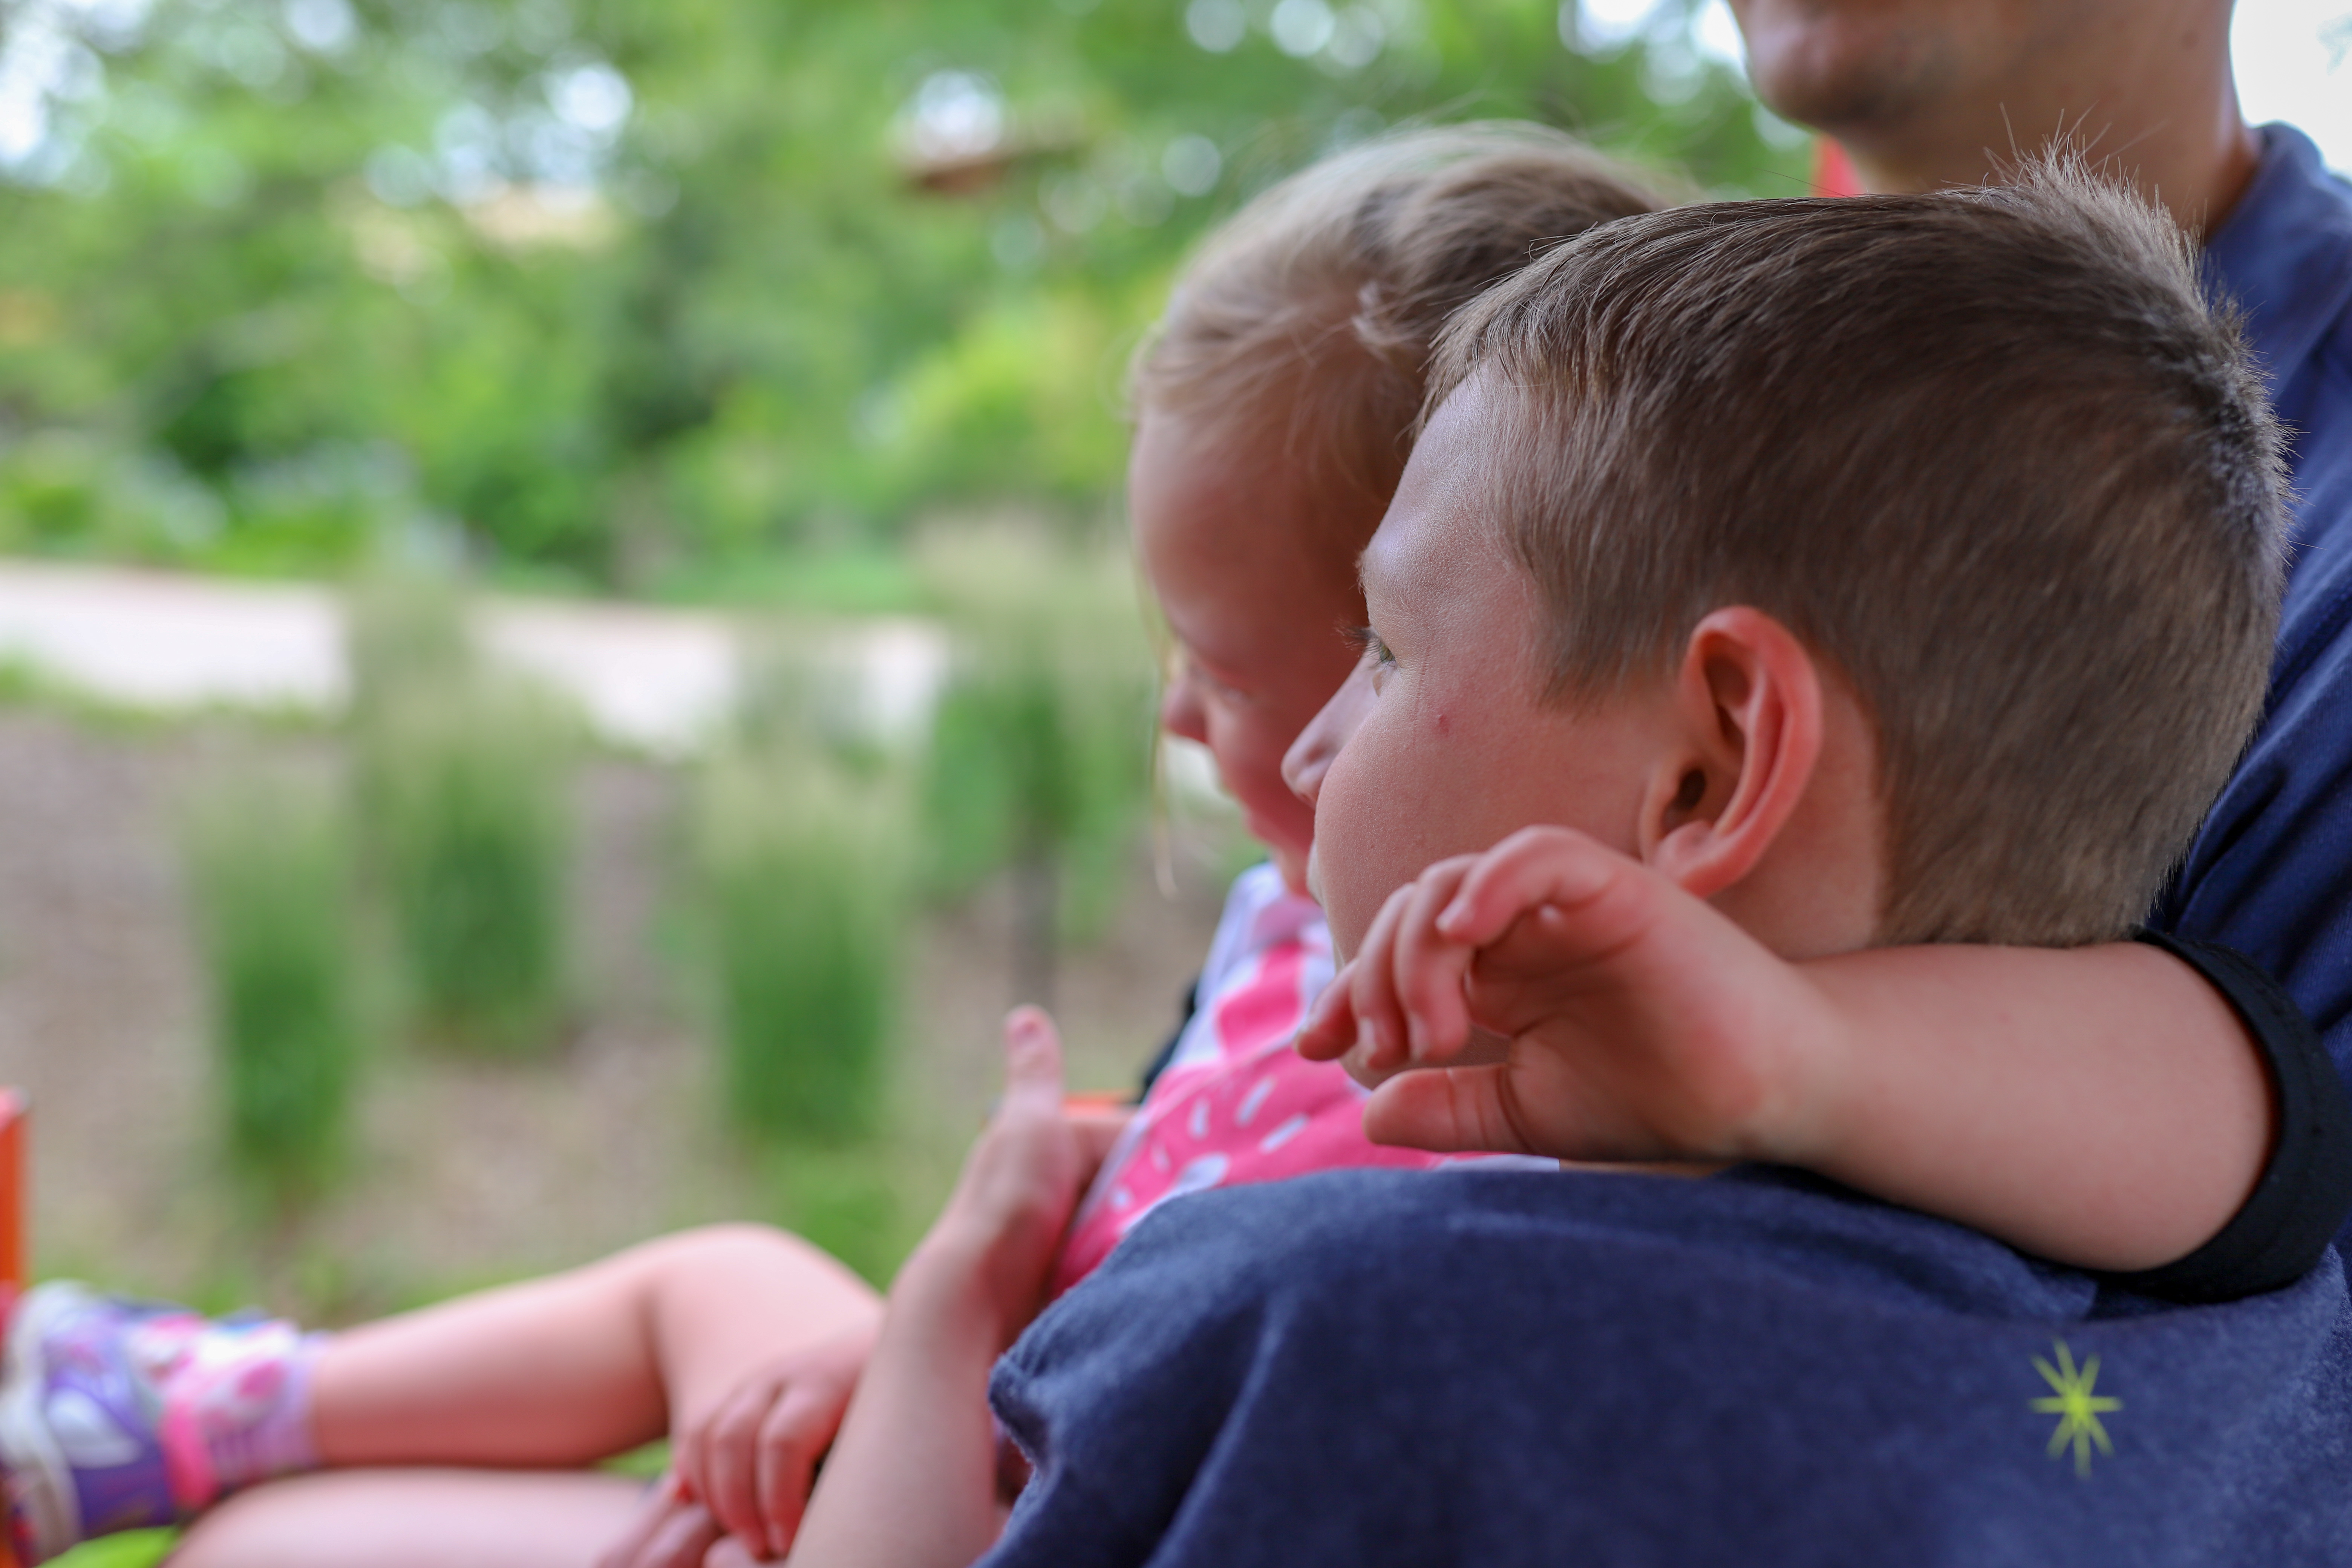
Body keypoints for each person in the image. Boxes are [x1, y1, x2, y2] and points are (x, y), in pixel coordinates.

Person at [0, 127, 1670, 1568]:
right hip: (948, 1427)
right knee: (713, 1287)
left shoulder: (1510, 1140)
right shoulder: (1313, 938)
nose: (1177, 716)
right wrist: (916, 1335)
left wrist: (936, 1318)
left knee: (282, 1544)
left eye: (1232, 672)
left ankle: (172, 1414)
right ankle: (186, 1405)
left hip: (948, 1501)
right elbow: (1171, 1205)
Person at [833, 161, 2349, 1568]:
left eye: (1383, 646)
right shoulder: (2249, 1343)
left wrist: (945, 1312)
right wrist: (1791, 1051)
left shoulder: (1306, 1325)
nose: (1309, 750)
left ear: (1706, 770)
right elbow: (2272, 1126)